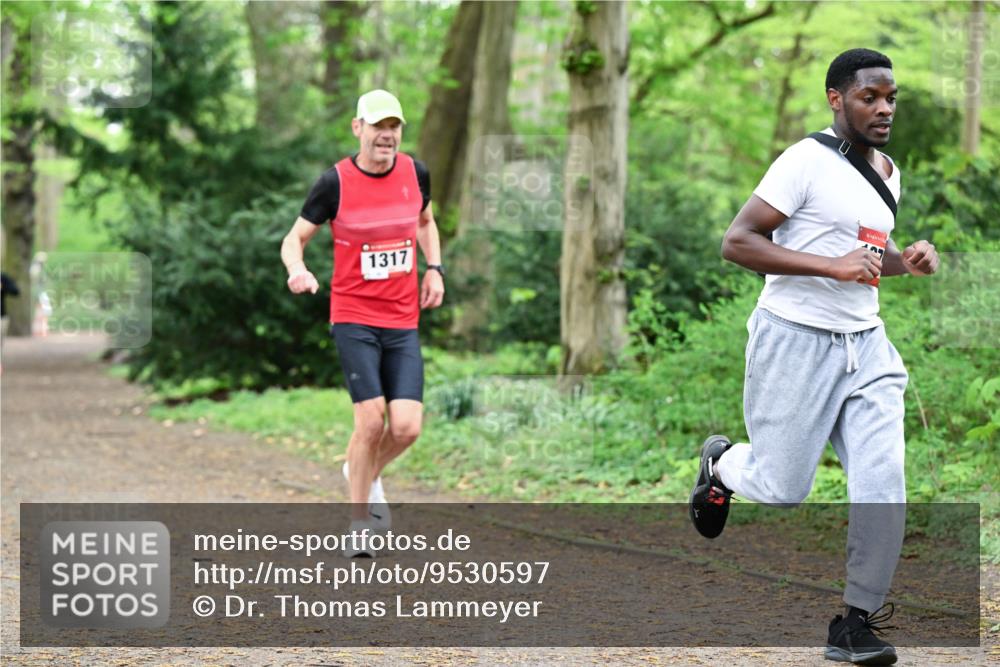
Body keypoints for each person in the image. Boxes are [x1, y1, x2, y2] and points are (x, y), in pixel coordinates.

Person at [688, 49, 939, 666]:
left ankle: (855, 622)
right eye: (869, 97)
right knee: (782, 487)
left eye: (891, 98)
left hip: (867, 346)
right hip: (794, 340)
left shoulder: (889, 172)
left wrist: (906, 262)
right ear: (836, 98)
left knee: (882, 479)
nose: (884, 109)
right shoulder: (803, 161)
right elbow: (737, 241)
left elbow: (866, 261)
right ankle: (722, 466)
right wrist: (831, 266)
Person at [281, 89, 445, 557]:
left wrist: (434, 268)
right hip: (354, 315)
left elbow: (425, 222)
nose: (386, 135)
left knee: (407, 428)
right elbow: (294, 238)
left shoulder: (416, 173)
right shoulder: (334, 182)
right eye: (378, 126)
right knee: (371, 420)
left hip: (402, 318)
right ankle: (359, 522)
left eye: (394, 127)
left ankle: (362, 472)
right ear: (358, 128)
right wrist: (297, 269)